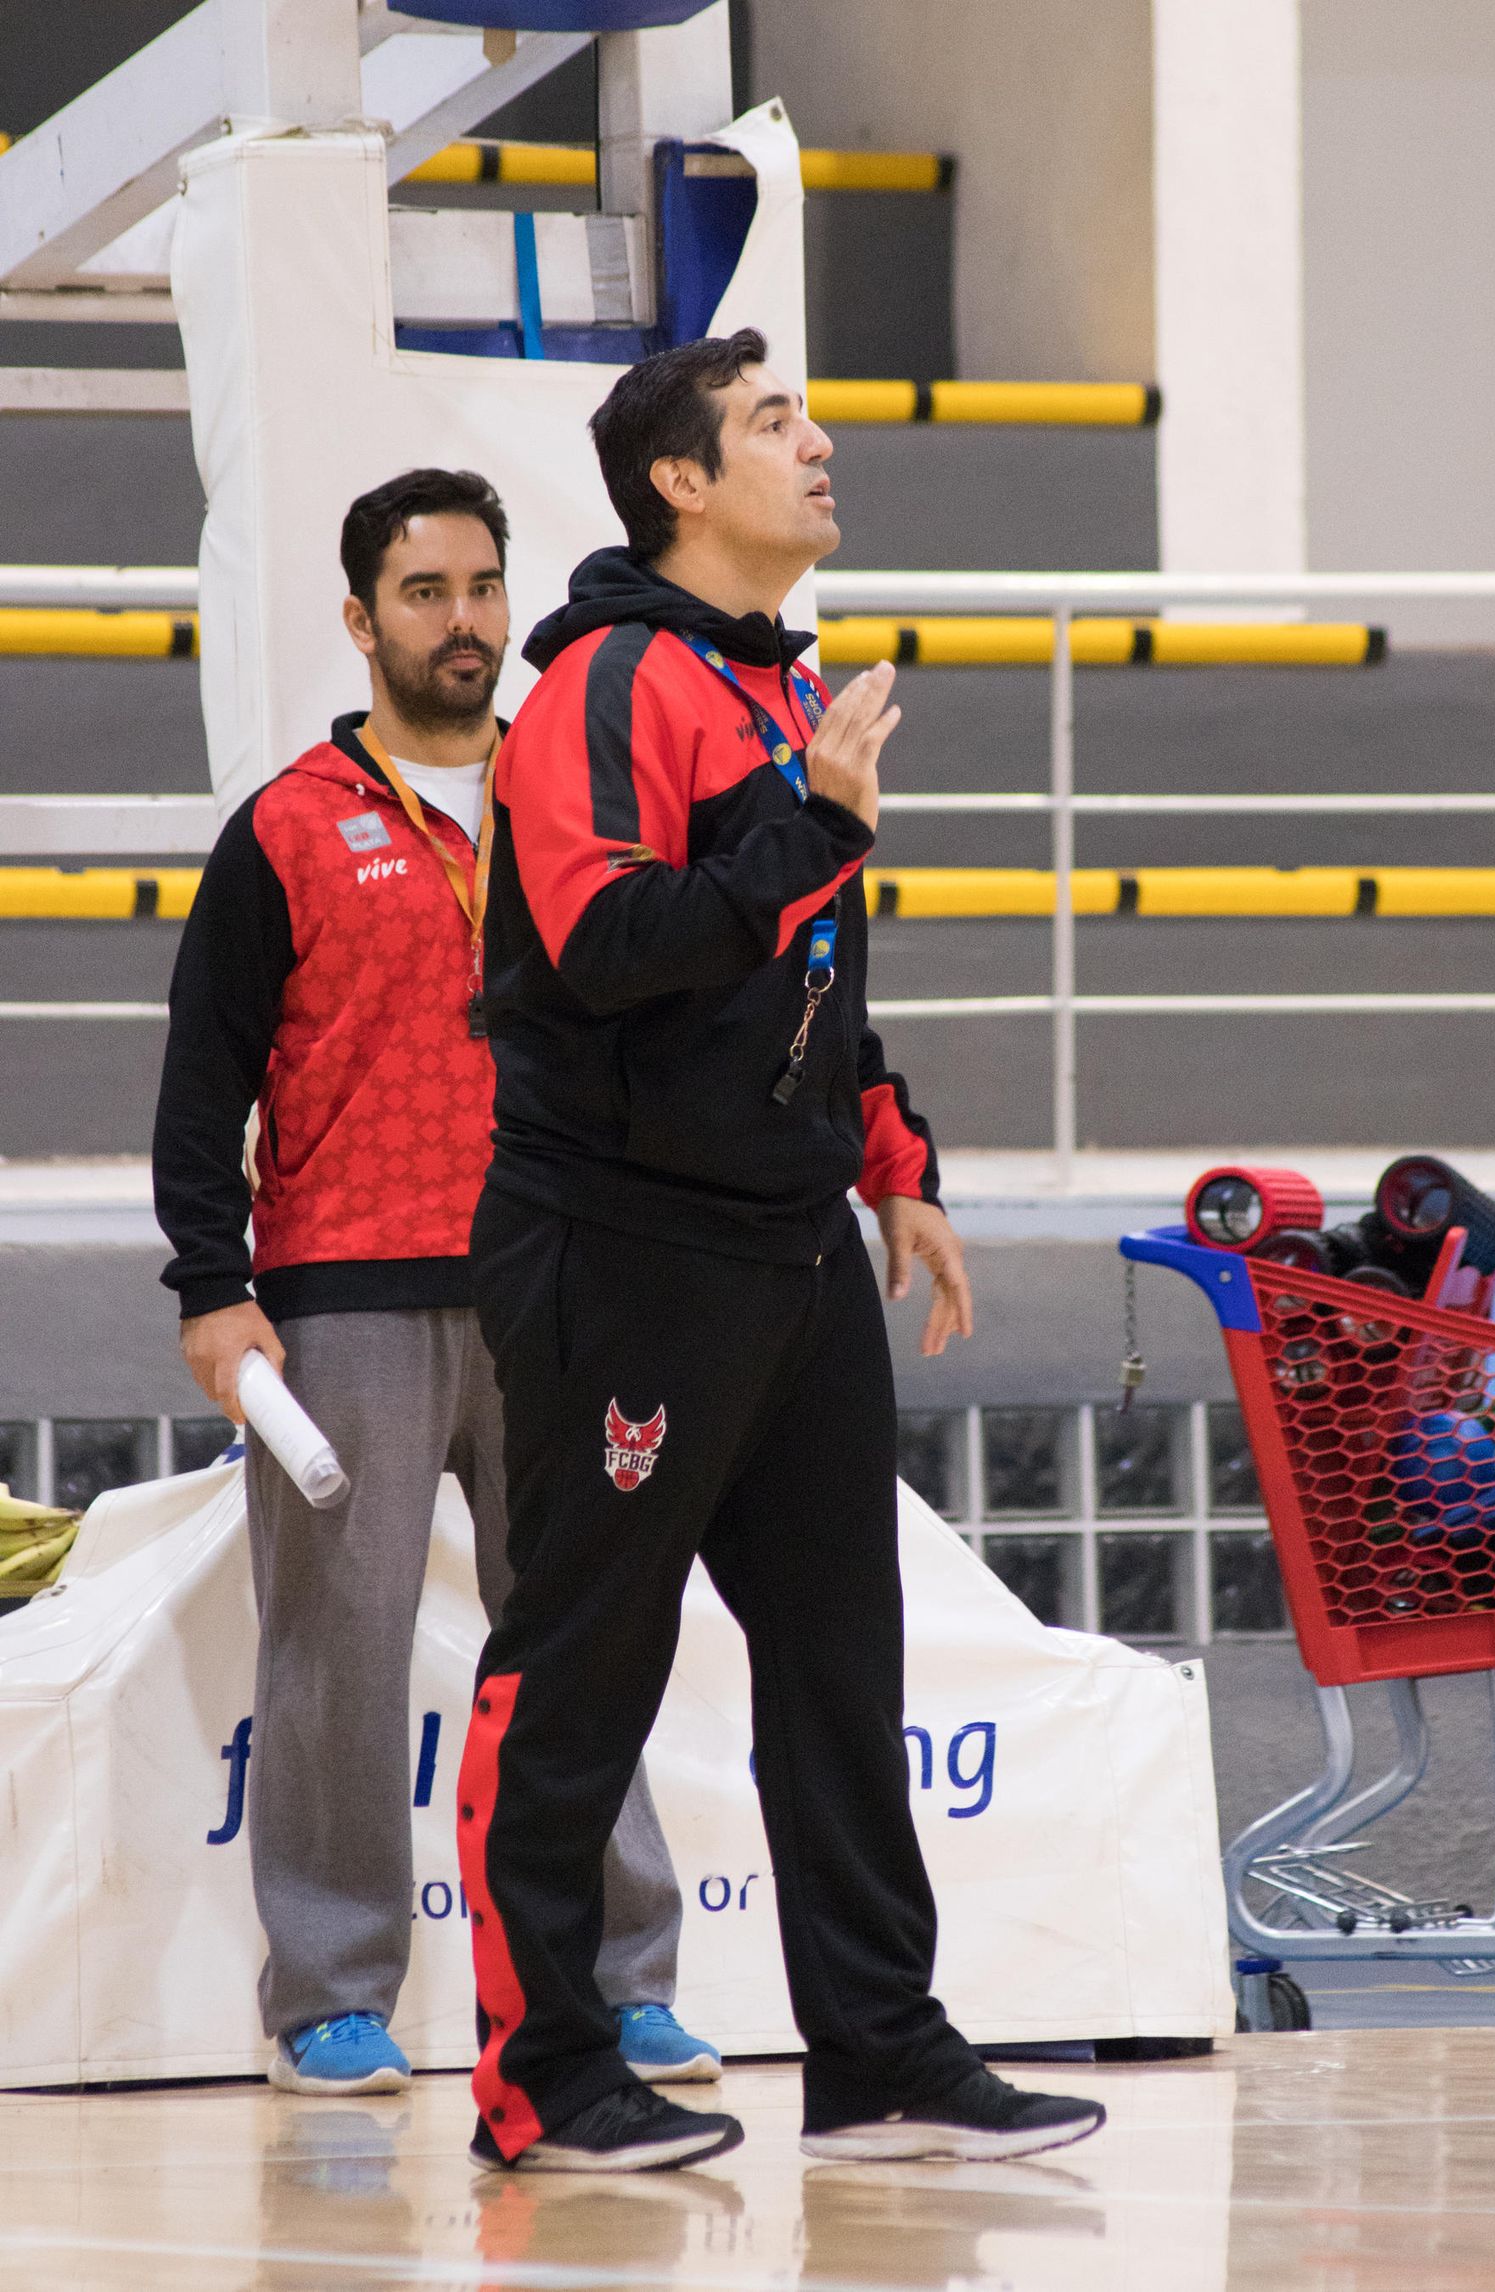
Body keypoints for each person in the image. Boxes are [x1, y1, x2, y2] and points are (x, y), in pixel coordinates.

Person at [458, 333, 1108, 2172]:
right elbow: (606, 942)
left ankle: (880, 2057)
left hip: (793, 1243)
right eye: (771, 424)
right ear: (679, 482)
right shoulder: (604, 683)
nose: (817, 443)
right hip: (623, 1245)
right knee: (580, 1663)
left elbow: (814, 970)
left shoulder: (783, 680)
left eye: (808, 414)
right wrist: (808, 820)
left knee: (840, 1666)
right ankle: (544, 2079)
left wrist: (893, 1162)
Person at [152, 468, 713, 2096]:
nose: (461, 620)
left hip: (564, 1283)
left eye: (481, 586)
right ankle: (330, 1995)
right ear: (360, 618)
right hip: (343, 1291)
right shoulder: (285, 826)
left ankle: (614, 1987)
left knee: (584, 1640)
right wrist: (211, 1283)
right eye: (423, 591)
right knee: (339, 1652)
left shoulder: (574, 803)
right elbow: (202, 1079)